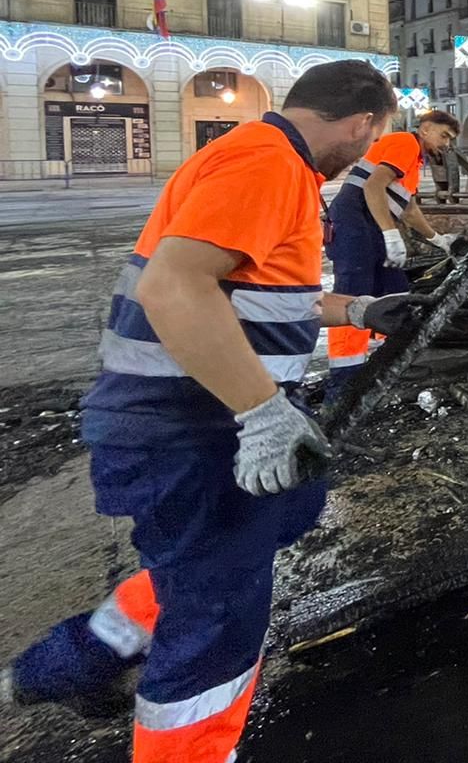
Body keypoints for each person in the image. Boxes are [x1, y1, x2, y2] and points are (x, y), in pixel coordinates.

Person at [4, 61, 421, 762]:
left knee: (276, 518)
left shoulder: (265, 160)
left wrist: (355, 308)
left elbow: (248, 292)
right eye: (374, 136)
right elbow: (176, 289)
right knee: (216, 626)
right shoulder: (267, 164)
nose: (369, 150)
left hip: (187, 420)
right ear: (363, 123)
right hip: (188, 428)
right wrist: (262, 414)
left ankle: (72, 663)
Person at [324, 110, 461, 400]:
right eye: (443, 135)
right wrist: (389, 233)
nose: (446, 144)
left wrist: (438, 239)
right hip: (355, 222)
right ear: (424, 129)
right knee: (352, 297)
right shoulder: (405, 143)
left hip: (367, 224)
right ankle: (344, 380)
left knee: (395, 292)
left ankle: (388, 362)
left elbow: (407, 208)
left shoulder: (414, 159)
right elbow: (374, 185)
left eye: (450, 139)